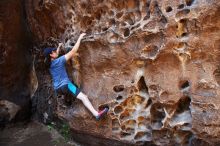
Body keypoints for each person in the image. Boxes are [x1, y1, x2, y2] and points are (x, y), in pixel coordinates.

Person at [43, 33, 108, 120]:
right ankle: (96, 114)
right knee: (84, 97)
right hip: (66, 85)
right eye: (54, 51)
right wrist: (80, 38)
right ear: (51, 55)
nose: (56, 52)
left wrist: (58, 47)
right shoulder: (60, 60)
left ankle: (70, 98)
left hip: (58, 89)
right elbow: (73, 51)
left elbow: (55, 55)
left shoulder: (49, 64)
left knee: (72, 92)